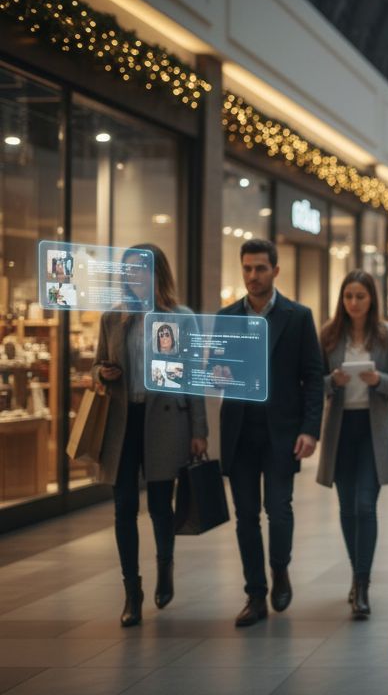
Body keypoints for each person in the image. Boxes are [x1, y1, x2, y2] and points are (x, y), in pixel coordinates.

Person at [93, 244, 206, 627]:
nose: (133, 277)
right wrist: (101, 374)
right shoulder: (112, 319)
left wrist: (199, 431)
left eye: (140, 270)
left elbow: (193, 378)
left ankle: (165, 568)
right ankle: (132, 591)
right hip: (123, 423)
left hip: (166, 421)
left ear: (157, 274)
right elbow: (97, 365)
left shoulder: (180, 317)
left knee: (161, 506)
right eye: (128, 271)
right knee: (123, 506)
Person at [218, 238, 324, 627]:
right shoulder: (227, 316)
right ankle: (255, 595)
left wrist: (310, 430)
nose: (252, 276)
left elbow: (313, 378)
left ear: (275, 271)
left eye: (260, 268)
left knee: (278, 510)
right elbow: (217, 370)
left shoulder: (297, 317)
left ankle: (279, 568)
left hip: (282, 433)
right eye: (247, 268)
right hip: (239, 433)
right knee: (245, 516)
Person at [315, 270, 388, 620]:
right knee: (346, 508)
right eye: (348, 296)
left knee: (365, 505)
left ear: (372, 299)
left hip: (375, 431)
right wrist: (333, 380)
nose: (353, 303)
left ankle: (363, 585)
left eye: (360, 296)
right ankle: (357, 578)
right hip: (341, 430)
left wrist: (377, 379)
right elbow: (313, 385)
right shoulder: (328, 335)